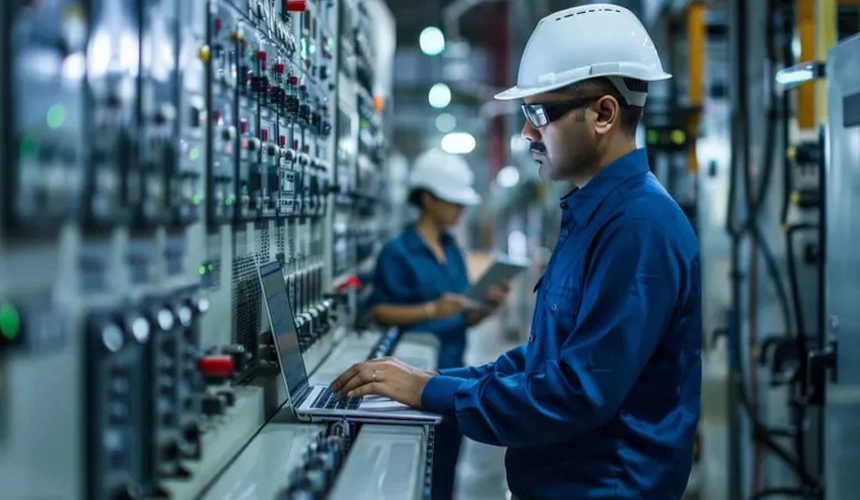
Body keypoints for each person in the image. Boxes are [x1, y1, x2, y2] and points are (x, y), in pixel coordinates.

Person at [333, 4, 702, 500]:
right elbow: (550, 357)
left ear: (603, 113)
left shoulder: (638, 227)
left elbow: (576, 393)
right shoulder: (594, 216)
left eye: (539, 114)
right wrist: (432, 380)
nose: (527, 132)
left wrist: (427, 391)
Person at [364, 148, 510, 500]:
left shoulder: (454, 250)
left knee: (444, 474)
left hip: (451, 379)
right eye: (454, 201)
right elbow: (379, 311)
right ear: (428, 199)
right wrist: (431, 310)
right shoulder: (398, 251)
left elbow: (463, 316)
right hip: (409, 384)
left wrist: (488, 307)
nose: (462, 209)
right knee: (406, 481)